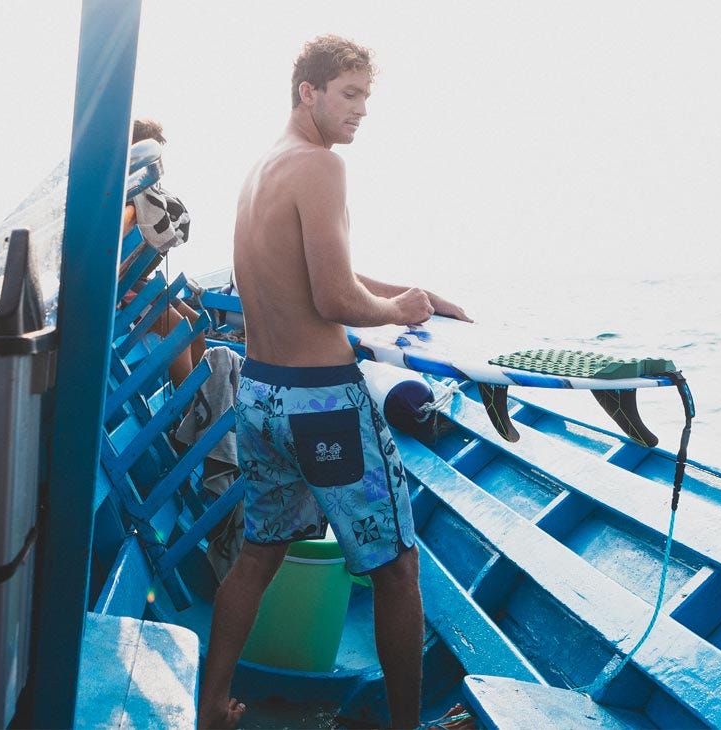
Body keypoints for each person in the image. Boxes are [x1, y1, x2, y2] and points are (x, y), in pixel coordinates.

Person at [198, 36, 474, 729]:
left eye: (365, 99)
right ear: (309, 93)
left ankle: (211, 705)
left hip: (260, 399)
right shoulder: (321, 167)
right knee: (396, 569)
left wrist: (416, 292)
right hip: (323, 406)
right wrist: (398, 312)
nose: (361, 112)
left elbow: (322, 272)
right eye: (349, 96)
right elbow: (333, 299)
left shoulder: (263, 168)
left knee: (261, 553)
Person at [122, 118, 206, 386]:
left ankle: (202, 403)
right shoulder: (127, 202)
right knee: (177, 331)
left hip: (135, 281)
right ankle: (186, 416)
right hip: (119, 289)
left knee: (195, 323)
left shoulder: (148, 197)